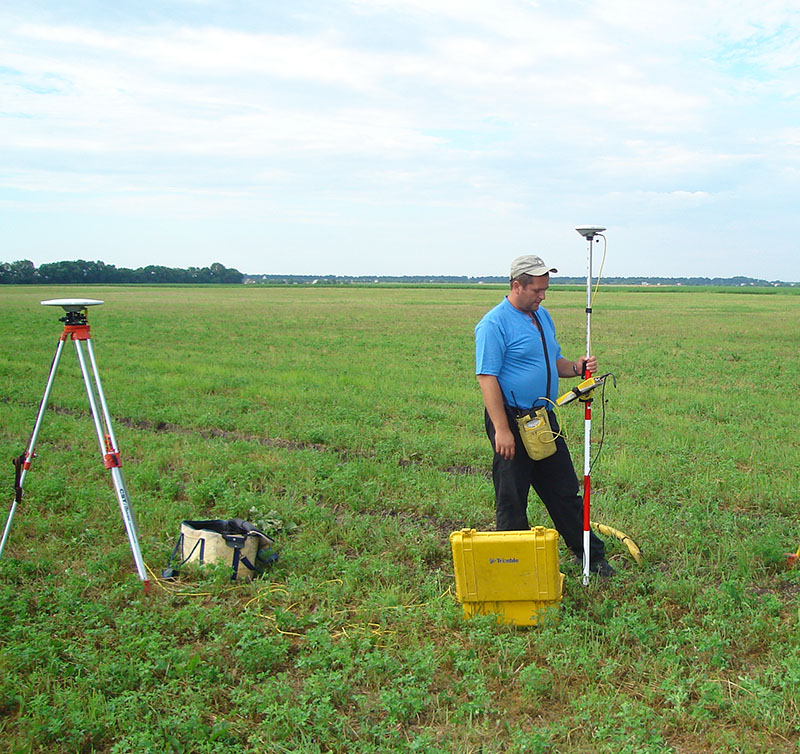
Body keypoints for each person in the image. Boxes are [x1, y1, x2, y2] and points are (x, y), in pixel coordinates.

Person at [474, 253, 614, 577]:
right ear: (516, 286)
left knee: (564, 491)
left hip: (543, 420)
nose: (543, 295)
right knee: (512, 496)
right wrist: (501, 431)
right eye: (537, 290)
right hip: (510, 420)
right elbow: (487, 378)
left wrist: (577, 368)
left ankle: (591, 557)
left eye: (545, 289)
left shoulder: (542, 317)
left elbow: (556, 362)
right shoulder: (493, 324)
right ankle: (515, 568)